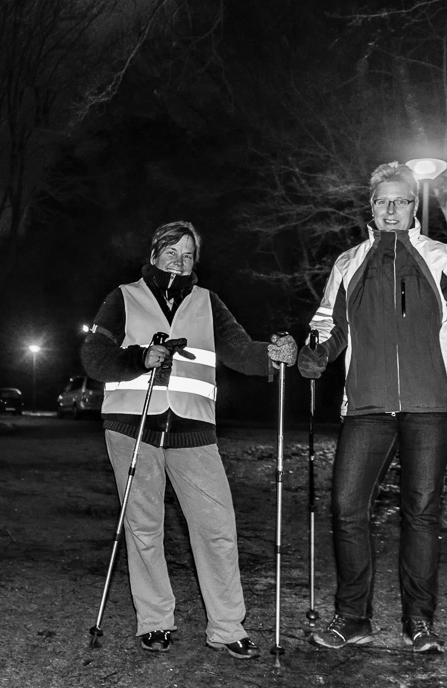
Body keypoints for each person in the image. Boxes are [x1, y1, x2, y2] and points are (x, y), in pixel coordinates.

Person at [298, 162, 447, 654]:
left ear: (413, 206)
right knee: (345, 507)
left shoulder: (441, 256)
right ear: (371, 208)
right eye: (383, 201)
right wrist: (315, 352)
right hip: (366, 403)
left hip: (433, 403)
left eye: (401, 200)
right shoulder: (348, 262)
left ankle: (418, 621)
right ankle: (353, 618)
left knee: (421, 511)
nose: (391, 209)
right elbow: (328, 323)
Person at [81, 220, 298, 660]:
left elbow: (240, 349)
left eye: (188, 255)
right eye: (171, 253)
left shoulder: (207, 302)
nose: (180, 262)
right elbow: (94, 357)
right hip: (131, 426)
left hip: (193, 429)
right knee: (143, 528)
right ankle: (155, 623)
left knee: (217, 528)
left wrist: (274, 356)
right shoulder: (123, 297)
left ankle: (226, 627)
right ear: (154, 253)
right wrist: (139, 357)